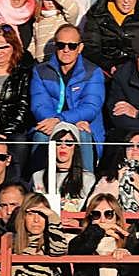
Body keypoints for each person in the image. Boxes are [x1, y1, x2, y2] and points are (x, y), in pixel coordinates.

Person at [29, 23, 105, 172]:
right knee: (40, 136)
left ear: (80, 48)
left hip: (82, 125)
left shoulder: (93, 72)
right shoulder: (41, 71)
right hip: (51, 124)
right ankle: (37, 188)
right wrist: (58, 124)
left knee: (83, 135)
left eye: (72, 46)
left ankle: (86, 185)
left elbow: (91, 107)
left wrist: (60, 120)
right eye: (61, 45)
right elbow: (39, 106)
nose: (66, 50)